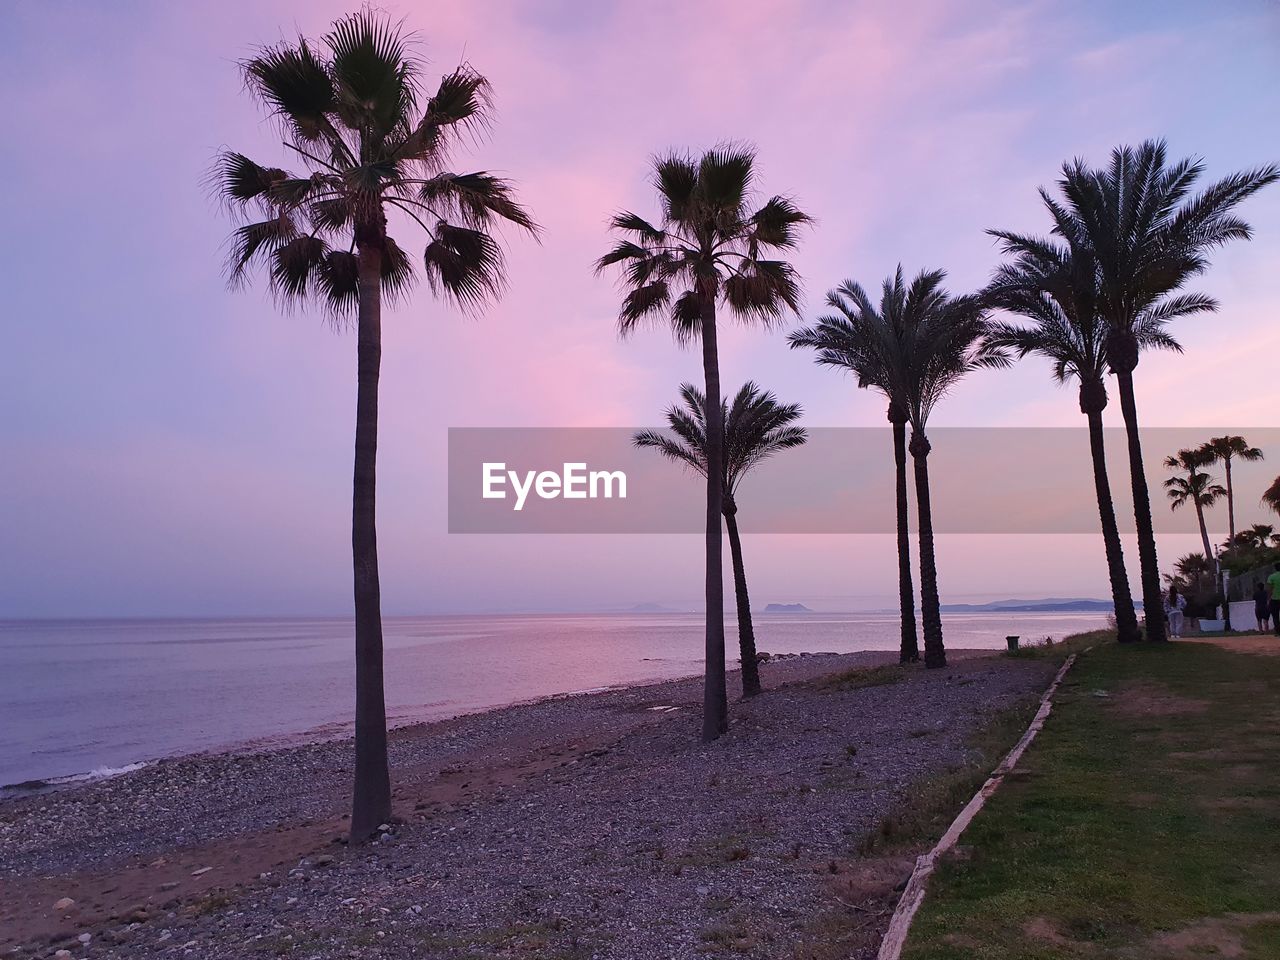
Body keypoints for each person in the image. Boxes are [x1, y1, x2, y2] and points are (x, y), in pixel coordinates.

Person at [1269, 562, 1280, 638]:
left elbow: (1270, 589)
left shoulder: (1271, 577)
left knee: (1275, 616)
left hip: (1274, 599)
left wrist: (1268, 599)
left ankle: (1278, 632)